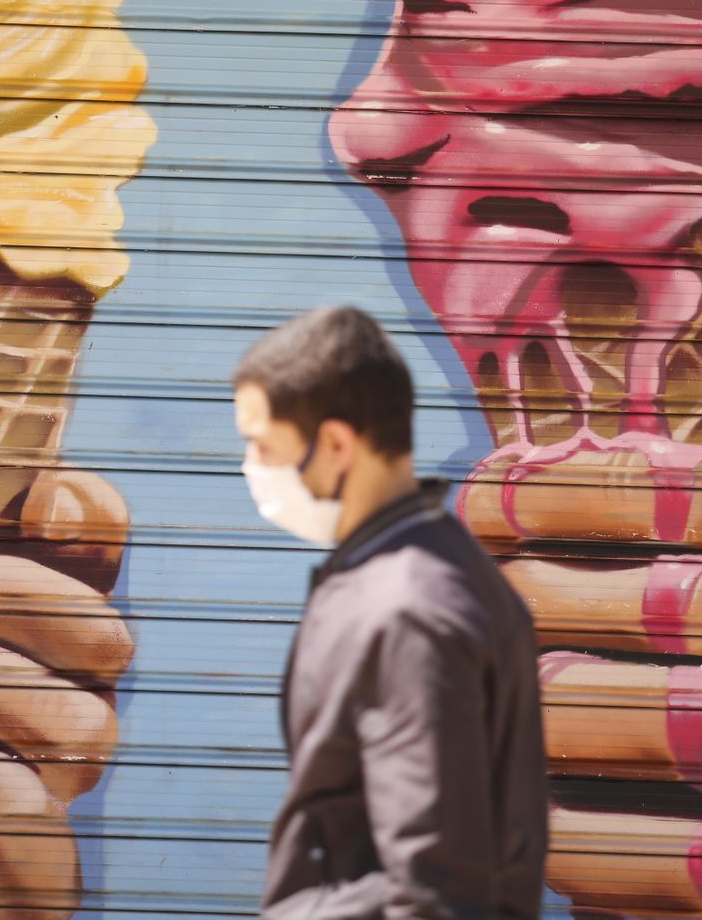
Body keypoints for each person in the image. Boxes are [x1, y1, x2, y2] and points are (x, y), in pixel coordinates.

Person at [232, 306, 547, 920]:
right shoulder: (420, 568)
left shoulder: (406, 613)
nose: (253, 467)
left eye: (263, 444)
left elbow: (434, 891)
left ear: (335, 444)